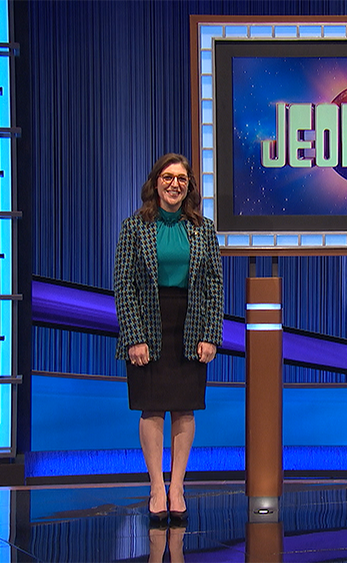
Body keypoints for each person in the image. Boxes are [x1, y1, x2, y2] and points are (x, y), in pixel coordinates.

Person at [114, 153, 224, 523]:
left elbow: (213, 285)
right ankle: (156, 487)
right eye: (168, 177)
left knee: (184, 406)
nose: (174, 184)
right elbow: (123, 285)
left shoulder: (203, 229)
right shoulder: (133, 227)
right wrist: (134, 336)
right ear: (155, 182)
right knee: (152, 407)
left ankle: (177, 486)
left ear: (189, 186)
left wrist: (211, 334)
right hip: (148, 322)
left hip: (189, 323)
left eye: (181, 178)